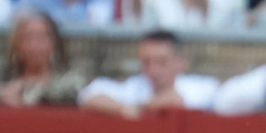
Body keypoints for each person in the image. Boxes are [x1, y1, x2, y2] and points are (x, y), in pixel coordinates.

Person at [80, 29, 220, 115]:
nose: (152, 70)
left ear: (180, 62)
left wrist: (141, 108)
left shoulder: (199, 87)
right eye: (146, 62)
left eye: (161, 62)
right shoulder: (135, 87)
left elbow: (178, 100)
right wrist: (124, 109)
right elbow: (87, 94)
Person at [0, 10, 86, 105]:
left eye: (41, 37)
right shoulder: (2, 79)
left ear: (54, 42)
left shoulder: (71, 81)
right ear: (16, 45)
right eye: (27, 38)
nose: (34, 45)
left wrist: (24, 92)